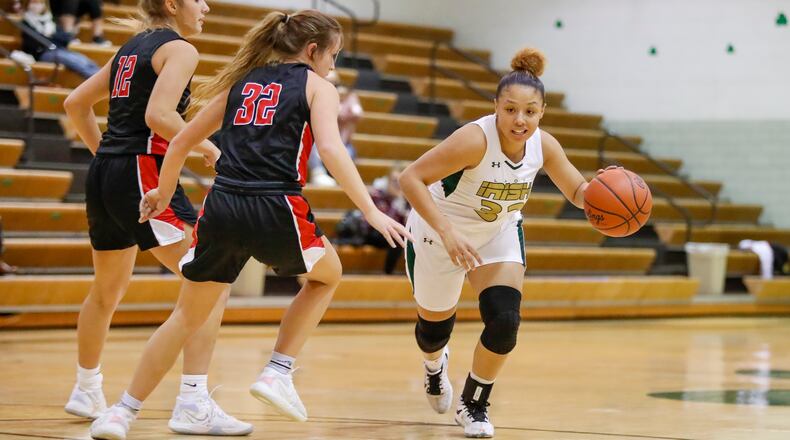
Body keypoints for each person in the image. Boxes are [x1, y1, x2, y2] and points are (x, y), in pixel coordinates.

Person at [89, 9, 410, 440]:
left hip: (220, 206)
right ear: (313, 51)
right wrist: (372, 210)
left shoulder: (243, 82)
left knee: (186, 314)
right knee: (327, 277)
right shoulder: (318, 87)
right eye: (334, 54)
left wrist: (163, 192)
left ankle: (120, 412)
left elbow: (181, 140)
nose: (335, 64)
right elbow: (332, 153)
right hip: (276, 203)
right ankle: (278, 369)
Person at [62, 0, 250, 436]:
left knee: (107, 289)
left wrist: (106, 158)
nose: (205, 7)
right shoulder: (180, 49)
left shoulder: (131, 47)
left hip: (106, 172)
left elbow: (76, 104)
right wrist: (209, 148)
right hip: (142, 171)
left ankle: (86, 388)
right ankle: (192, 401)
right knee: (211, 284)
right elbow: (158, 116)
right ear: (172, 4)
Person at [398, 48, 592, 438]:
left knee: (505, 321)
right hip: (439, 233)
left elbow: (578, 190)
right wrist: (447, 232)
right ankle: (434, 366)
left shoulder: (544, 145)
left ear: (542, 112)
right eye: (510, 110)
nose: (520, 120)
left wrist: (604, 194)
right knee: (433, 332)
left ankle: (473, 403)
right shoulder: (473, 139)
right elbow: (410, 178)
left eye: (530, 112)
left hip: (497, 233)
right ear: (496, 107)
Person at [308, 69, 362, 186]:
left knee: (349, 152)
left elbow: (357, 114)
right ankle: (318, 173)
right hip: (316, 140)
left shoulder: (349, 96)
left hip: (342, 141)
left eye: (334, 83)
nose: (331, 86)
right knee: (313, 148)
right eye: (327, 82)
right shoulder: (315, 94)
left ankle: (340, 180)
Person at [19, 0, 100, 78]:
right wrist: (52, 37)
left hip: (60, 49)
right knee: (71, 60)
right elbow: (33, 43)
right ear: (28, 4)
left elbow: (65, 38)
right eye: (34, 2)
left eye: (40, 3)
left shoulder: (50, 20)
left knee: (83, 59)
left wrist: (50, 36)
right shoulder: (25, 22)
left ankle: (100, 75)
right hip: (43, 54)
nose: (36, 5)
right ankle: (95, 78)